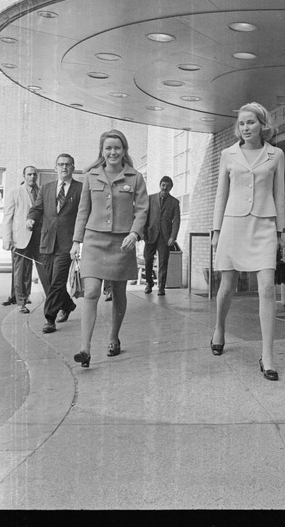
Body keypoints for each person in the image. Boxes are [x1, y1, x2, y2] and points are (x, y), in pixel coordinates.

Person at [211, 102, 285, 381]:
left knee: (267, 288)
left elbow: (279, 194)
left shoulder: (276, 154)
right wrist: (216, 231)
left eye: (251, 122)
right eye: (241, 123)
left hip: (265, 225)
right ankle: (219, 328)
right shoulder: (228, 154)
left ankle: (267, 355)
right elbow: (221, 194)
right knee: (227, 287)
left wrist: (281, 232)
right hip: (233, 224)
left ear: (262, 124)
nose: (245, 128)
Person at [71, 130, 148, 368]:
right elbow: (83, 211)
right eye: (108, 148)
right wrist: (76, 241)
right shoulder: (90, 176)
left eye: (117, 148)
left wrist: (134, 233)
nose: (112, 152)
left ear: (124, 150)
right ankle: (85, 348)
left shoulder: (135, 177)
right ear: (102, 151)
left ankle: (114, 336)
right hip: (94, 240)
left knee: (118, 293)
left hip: (122, 242)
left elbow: (142, 210)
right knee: (91, 292)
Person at [26, 154, 82, 334]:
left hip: (67, 243)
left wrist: (79, 241)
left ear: (73, 167)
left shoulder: (80, 189)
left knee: (58, 280)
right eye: (60, 164)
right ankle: (68, 305)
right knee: (50, 281)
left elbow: (83, 215)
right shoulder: (46, 188)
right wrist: (30, 219)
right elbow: (37, 209)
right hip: (47, 241)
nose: (64, 167)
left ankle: (50, 318)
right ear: (55, 168)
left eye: (67, 164)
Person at [1, 166, 49, 311]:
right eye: (29, 174)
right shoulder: (14, 192)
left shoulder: (42, 192)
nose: (32, 177)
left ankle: (51, 300)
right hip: (20, 238)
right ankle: (21, 302)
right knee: (21, 271)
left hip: (39, 237)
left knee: (44, 269)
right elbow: (8, 217)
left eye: (35, 174)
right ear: (24, 176)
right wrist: (7, 239)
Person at [143, 175, 181, 296]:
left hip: (165, 237)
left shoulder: (174, 202)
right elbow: (144, 216)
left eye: (167, 186)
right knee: (148, 260)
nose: (165, 187)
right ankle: (149, 283)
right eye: (163, 185)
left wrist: (173, 237)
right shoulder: (150, 199)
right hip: (150, 234)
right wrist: (143, 232)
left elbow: (176, 220)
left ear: (171, 188)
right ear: (160, 185)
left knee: (163, 262)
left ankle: (161, 287)